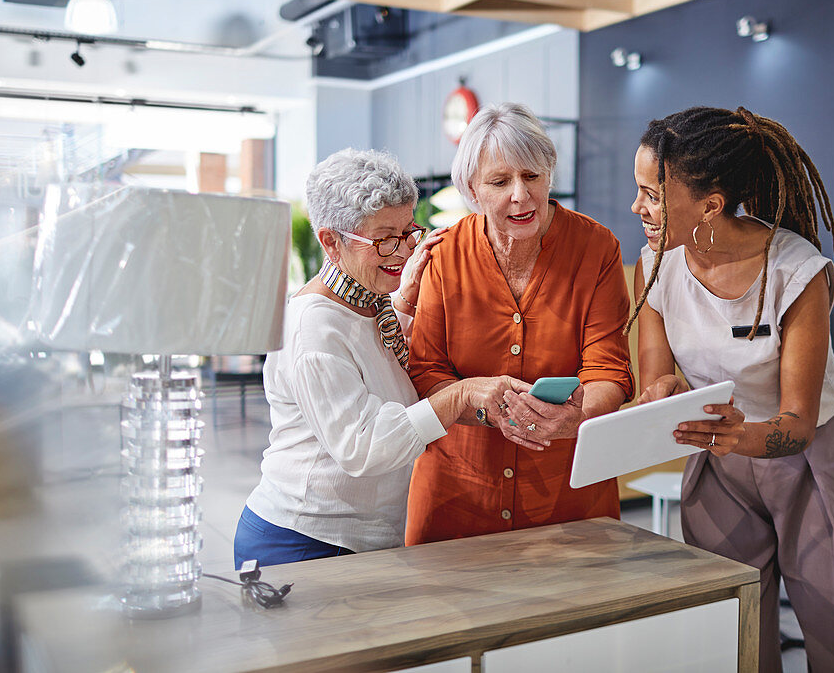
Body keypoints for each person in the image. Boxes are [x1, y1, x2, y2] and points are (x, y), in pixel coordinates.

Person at [629, 106, 834, 672]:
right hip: (719, 460)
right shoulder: (656, 264)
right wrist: (661, 392)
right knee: (731, 633)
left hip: (809, 457)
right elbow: (658, 374)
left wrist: (735, 434)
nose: (637, 208)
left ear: (710, 206)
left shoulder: (797, 271)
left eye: (650, 194)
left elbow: (795, 421)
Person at [235, 148, 531, 568]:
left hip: (362, 536)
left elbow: (381, 367)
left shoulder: (371, 304)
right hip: (304, 539)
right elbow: (363, 446)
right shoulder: (314, 327)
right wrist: (459, 396)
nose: (403, 251)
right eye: (384, 240)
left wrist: (403, 303)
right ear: (330, 243)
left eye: (408, 231)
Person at [406, 103, 634, 544]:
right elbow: (425, 372)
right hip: (457, 493)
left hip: (568, 492)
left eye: (532, 176)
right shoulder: (444, 253)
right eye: (499, 181)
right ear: (472, 188)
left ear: (549, 173)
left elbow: (609, 370)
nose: (521, 195)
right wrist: (485, 409)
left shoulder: (596, 246)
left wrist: (577, 415)